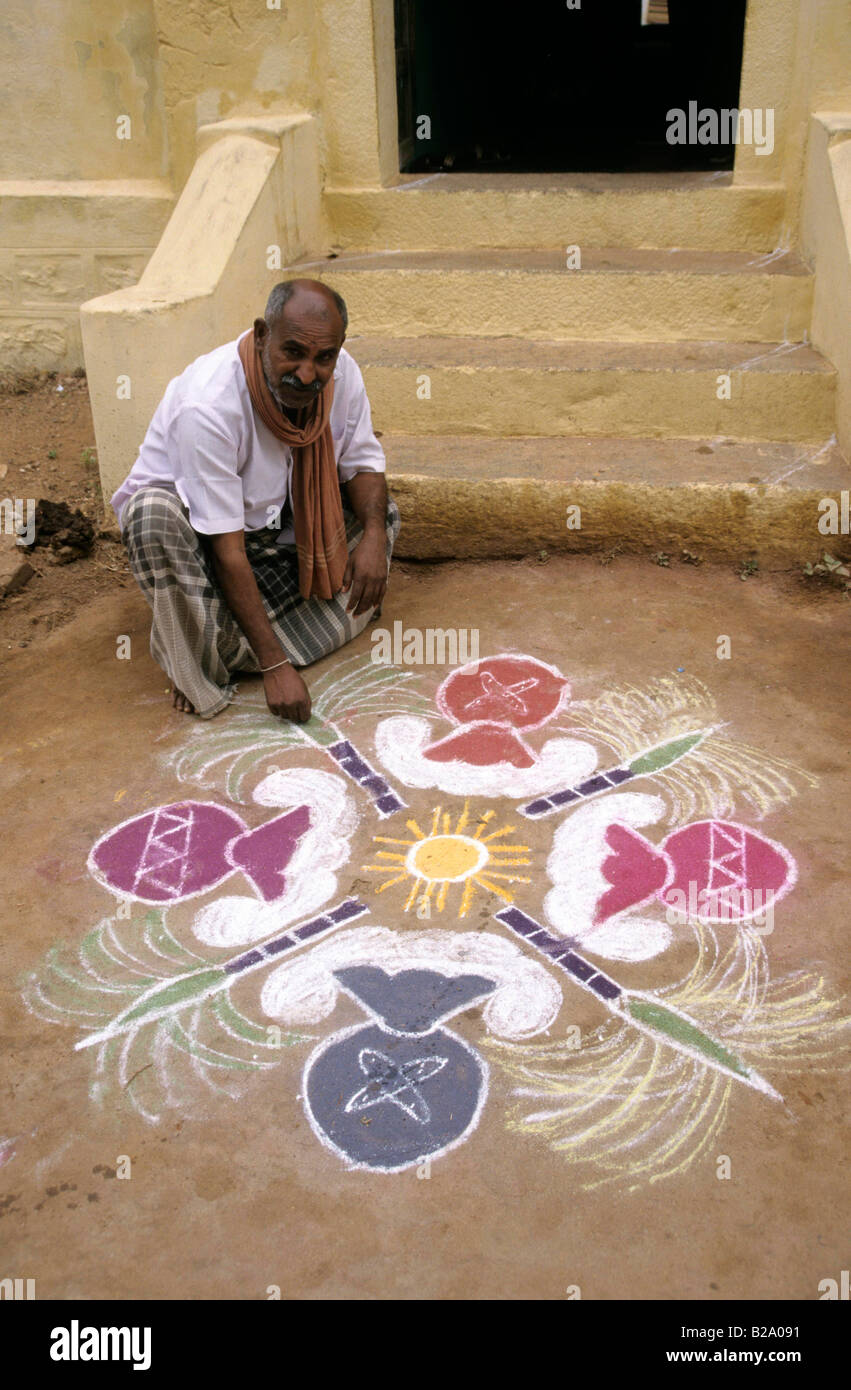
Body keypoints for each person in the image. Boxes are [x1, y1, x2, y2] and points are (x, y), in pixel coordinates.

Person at [111, 278, 400, 723]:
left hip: (279, 533)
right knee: (151, 517)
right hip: (205, 545)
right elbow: (227, 552)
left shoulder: (343, 376)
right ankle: (209, 652)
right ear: (262, 335)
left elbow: (360, 463)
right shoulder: (208, 406)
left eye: (324, 357)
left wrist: (375, 538)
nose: (307, 374)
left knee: (381, 515)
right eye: (293, 352)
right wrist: (275, 666)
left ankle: (206, 639)